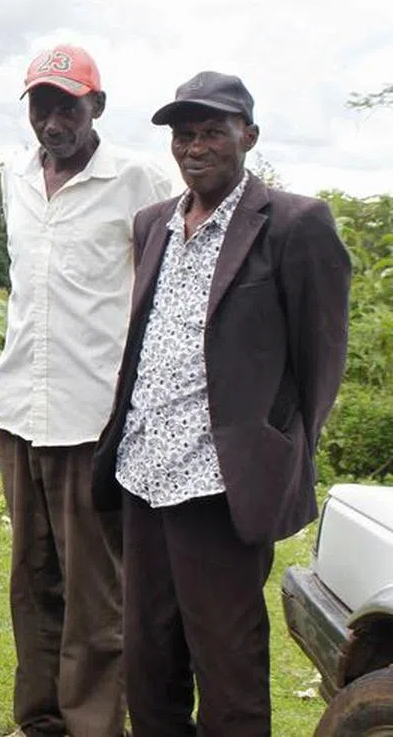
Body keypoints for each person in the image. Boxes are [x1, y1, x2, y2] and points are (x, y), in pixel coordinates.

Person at [92, 71, 351, 735]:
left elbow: (321, 359)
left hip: (220, 487)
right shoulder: (153, 223)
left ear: (249, 136)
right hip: (143, 475)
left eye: (212, 131)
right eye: (184, 135)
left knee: (227, 663)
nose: (195, 147)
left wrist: (281, 450)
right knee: (150, 660)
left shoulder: (294, 224)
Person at [0, 44, 174, 737]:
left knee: (96, 593)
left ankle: (92, 724)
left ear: (97, 105)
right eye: (41, 104)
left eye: (68, 103)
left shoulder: (139, 180)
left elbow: (171, 282)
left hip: (92, 419)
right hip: (18, 411)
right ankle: (38, 721)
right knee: (32, 582)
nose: (53, 119)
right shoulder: (15, 175)